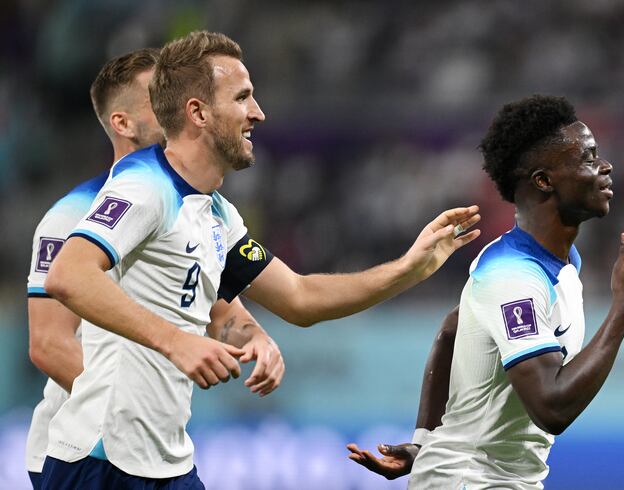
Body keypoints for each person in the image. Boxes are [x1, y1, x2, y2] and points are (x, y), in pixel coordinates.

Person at [41, 31, 480, 488]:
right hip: (99, 461)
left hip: (164, 461)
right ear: (198, 112)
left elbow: (299, 297)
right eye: (243, 97)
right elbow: (68, 276)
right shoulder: (145, 186)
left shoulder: (216, 213)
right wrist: (177, 341)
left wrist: (409, 268)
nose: (258, 113)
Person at [347, 95, 624, 488]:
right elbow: (551, 407)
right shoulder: (512, 277)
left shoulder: (555, 262)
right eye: (588, 157)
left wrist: (423, 441)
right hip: (469, 479)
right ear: (544, 180)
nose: (605, 166)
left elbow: (450, 332)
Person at [25, 48, 285, 489]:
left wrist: (254, 336)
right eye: (157, 96)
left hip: (155, 451)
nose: (173, 105)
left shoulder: (192, 205)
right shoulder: (73, 214)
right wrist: (135, 403)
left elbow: (219, 310)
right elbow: (48, 344)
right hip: (88, 449)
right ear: (122, 123)